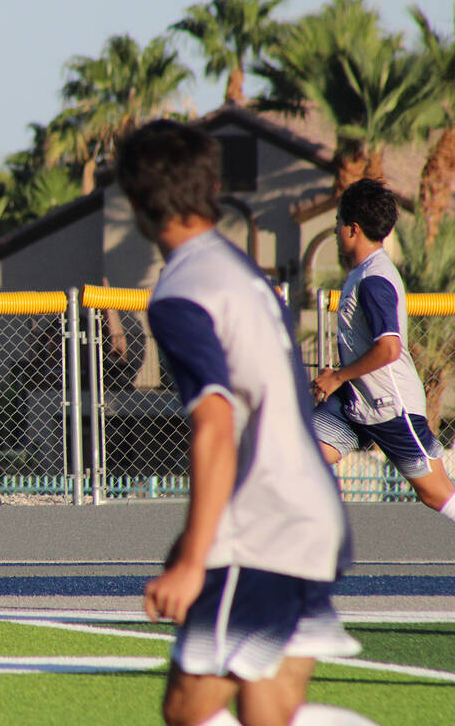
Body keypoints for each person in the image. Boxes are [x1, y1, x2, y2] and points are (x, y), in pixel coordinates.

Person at [116, 120, 358, 726]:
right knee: (268, 711)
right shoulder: (241, 270)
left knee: (188, 710)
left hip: (261, 527)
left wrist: (193, 559)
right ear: (210, 186)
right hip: (313, 514)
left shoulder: (181, 292)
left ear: (138, 201)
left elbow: (216, 426)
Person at [310, 179, 455, 525]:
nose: (336, 230)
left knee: (436, 494)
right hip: (357, 403)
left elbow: (388, 349)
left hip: (392, 408)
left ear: (353, 229)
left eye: (338, 223)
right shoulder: (362, 273)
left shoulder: (374, 278)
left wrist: (337, 377)